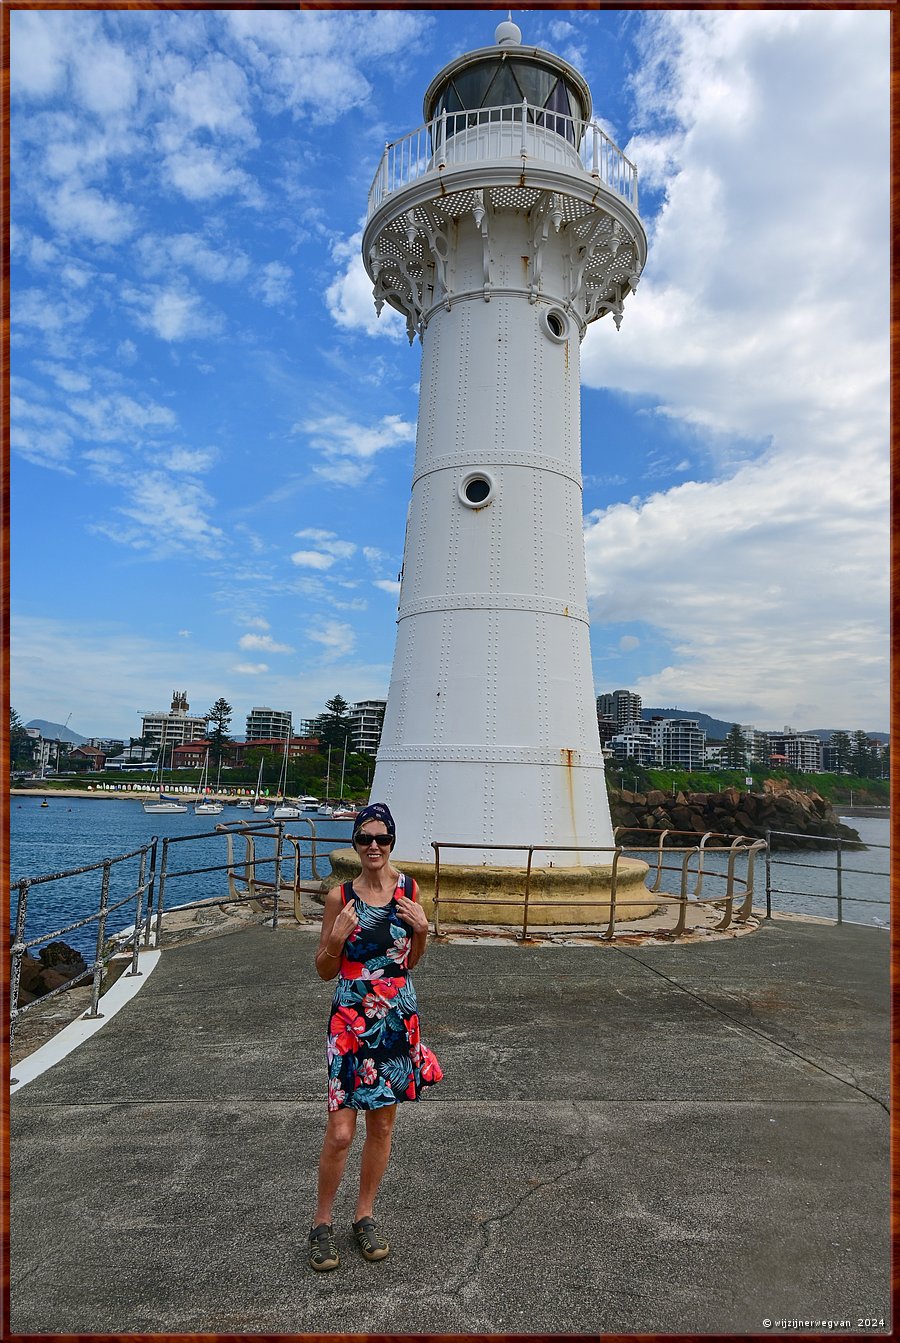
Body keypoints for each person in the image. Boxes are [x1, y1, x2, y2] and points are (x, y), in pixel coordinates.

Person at [308, 802, 443, 1271]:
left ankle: (363, 1216)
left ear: (392, 842)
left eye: (382, 839)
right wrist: (337, 939)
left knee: (382, 1125)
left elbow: (411, 960)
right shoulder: (338, 898)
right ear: (354, 842)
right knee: (342, 1131)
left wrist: (423, 931)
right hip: (349, 1017)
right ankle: (321, 1223)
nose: (373, 846)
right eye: (365, 838)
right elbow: (324, 970)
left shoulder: (409, 888)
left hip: (396, 1013)